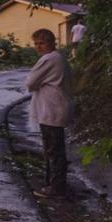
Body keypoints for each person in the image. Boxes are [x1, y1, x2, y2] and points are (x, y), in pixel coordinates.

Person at [26, 28, 74, 199]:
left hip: (52, 109)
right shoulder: (58, 58)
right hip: (54, 108)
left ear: (52, 43)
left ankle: (57, 188)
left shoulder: (49, 59)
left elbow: (30, 83)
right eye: (36, 44)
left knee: (54, 151)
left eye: (42, 43)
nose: (38, 47)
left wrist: (38, 82)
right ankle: (53, 184)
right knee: (53, 150)